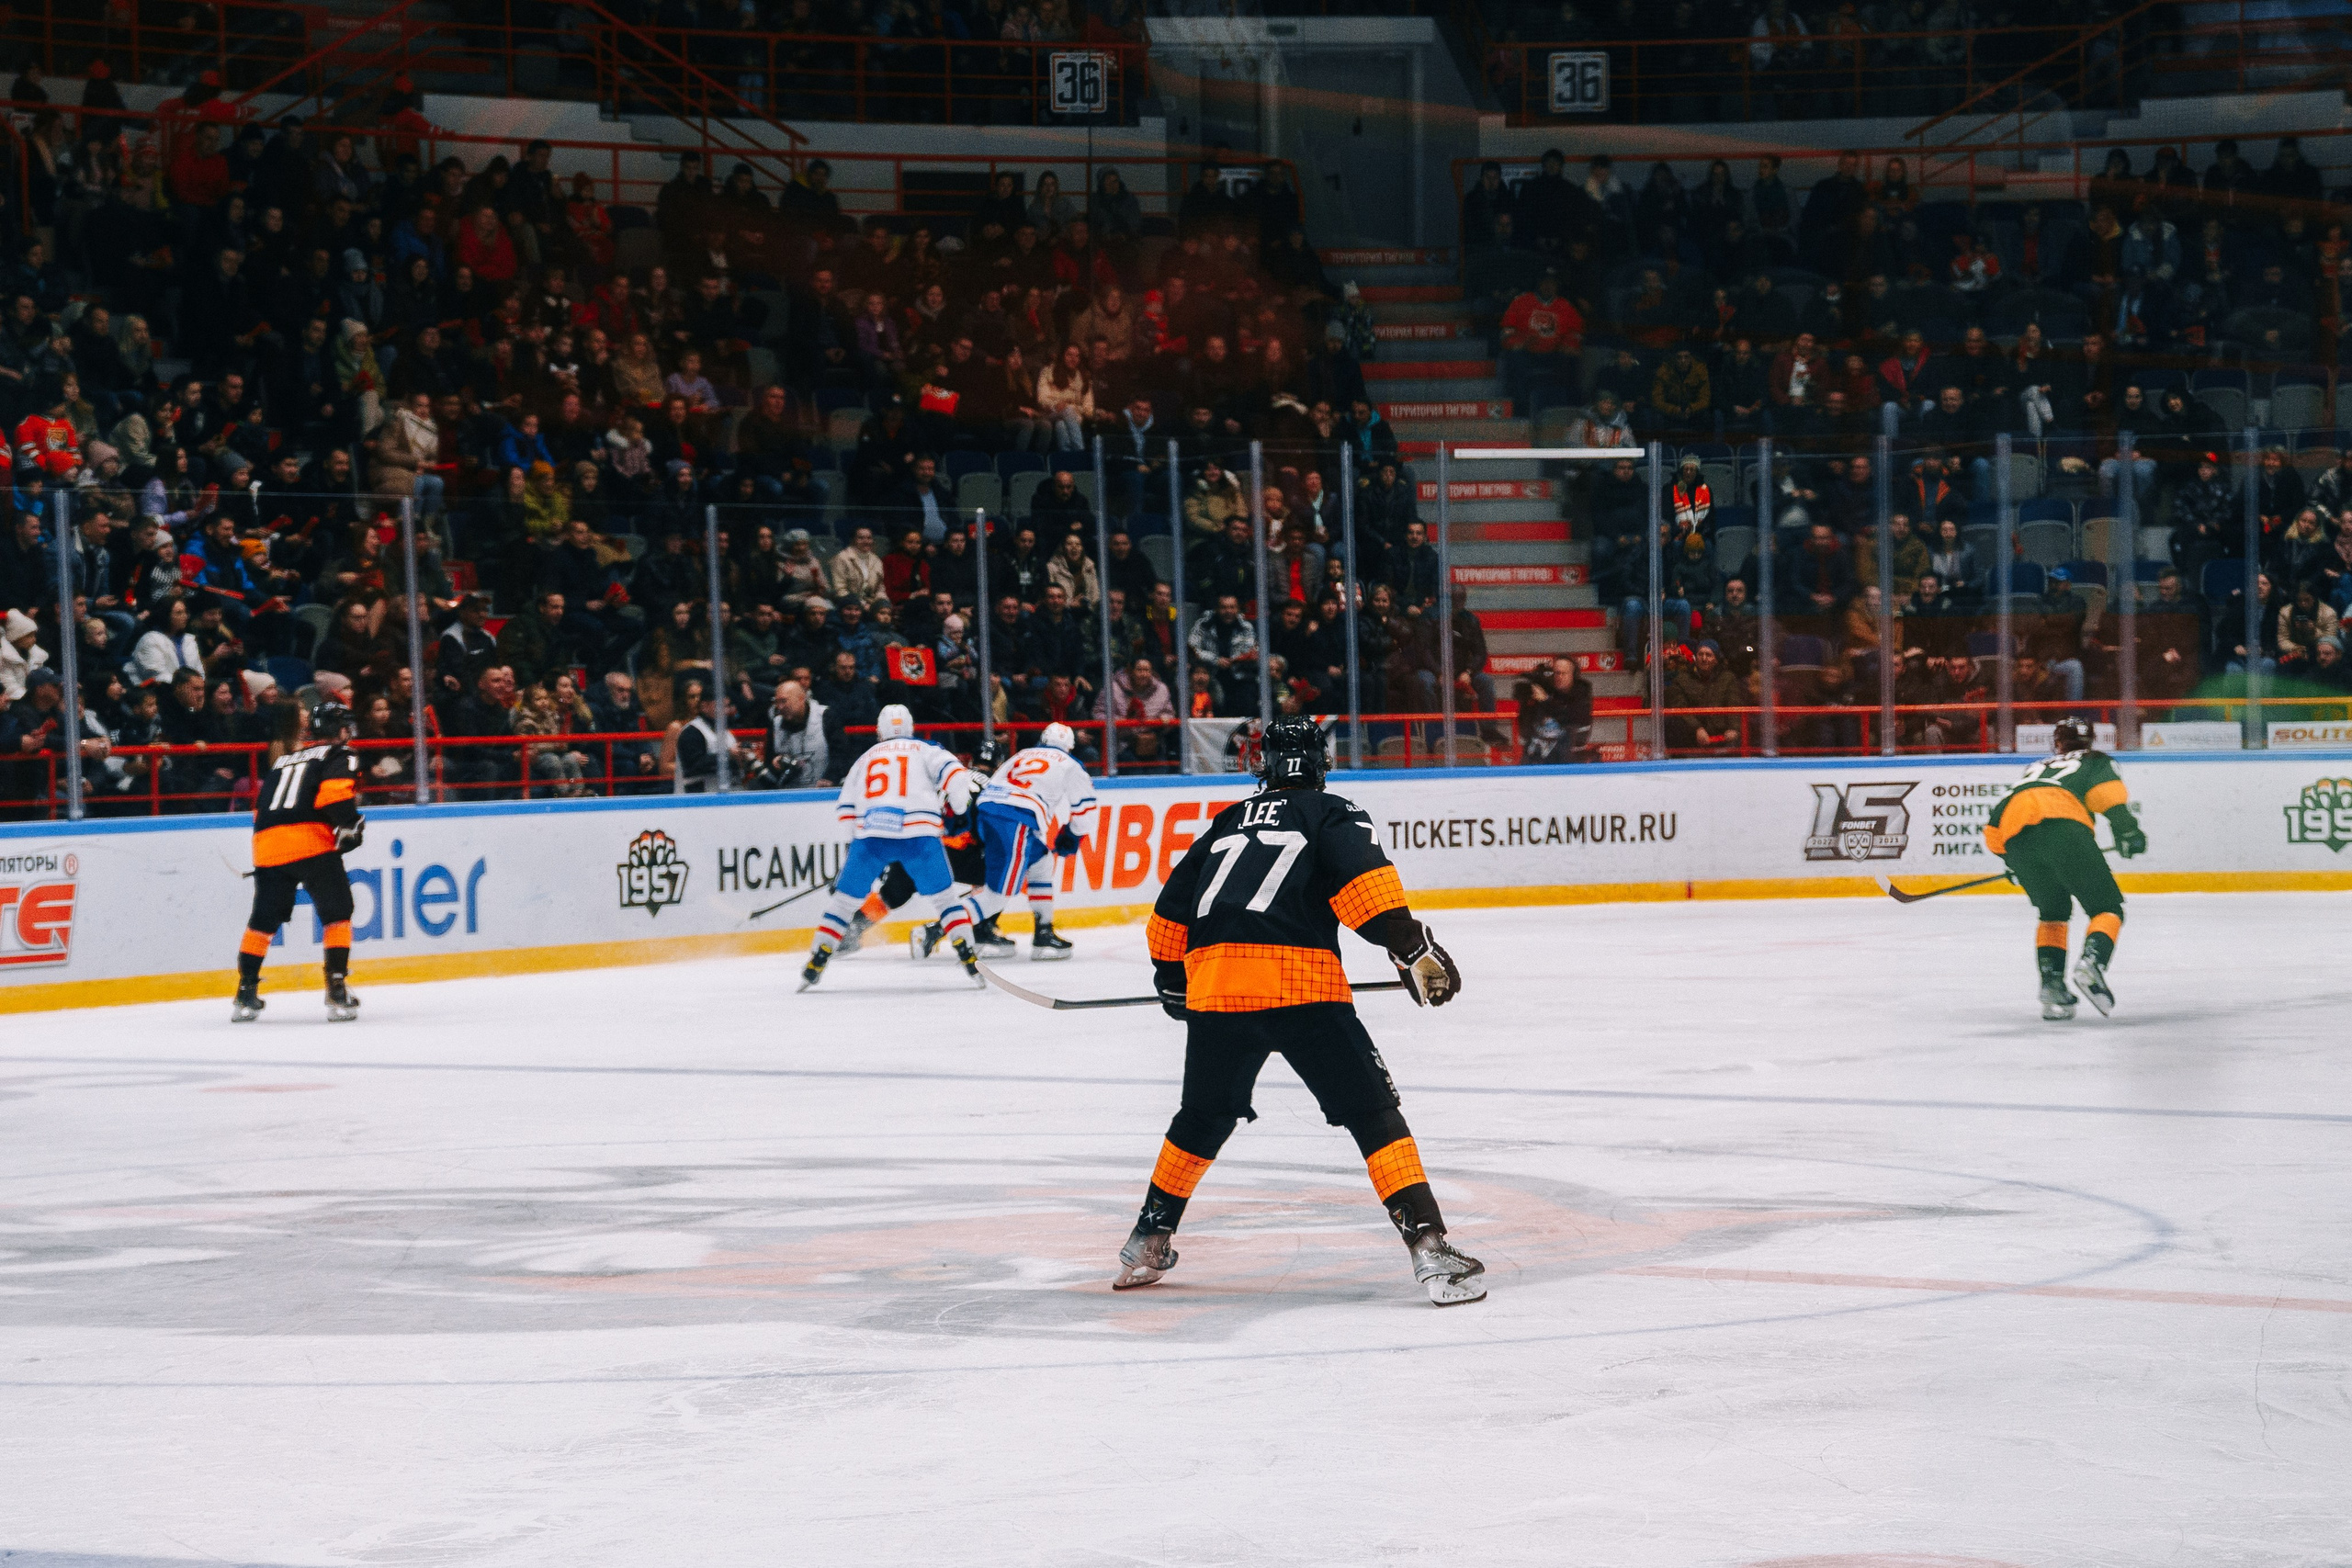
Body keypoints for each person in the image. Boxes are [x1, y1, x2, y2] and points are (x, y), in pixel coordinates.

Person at [1119, 716, 1478, 1306]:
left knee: (1203, 1116)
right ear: (1321, 763)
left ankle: (1145, 1241)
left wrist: (1172, 978)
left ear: (1259, 763)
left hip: (1217, 988)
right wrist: (1410, 946)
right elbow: (1364, 890)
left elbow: (1168, 917)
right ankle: (1432, 1252)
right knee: (1372, 1114)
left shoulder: (1225, 822)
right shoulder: (1332, 810)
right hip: (1301, 985)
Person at [800, 704, 984, 989]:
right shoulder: (928, 749)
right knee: (946, 900)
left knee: (843, 903)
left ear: (878, 731)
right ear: (911, 728)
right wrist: (959, 809)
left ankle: (819, 956)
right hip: (919, 834)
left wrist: (854, 851)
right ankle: (966, 952)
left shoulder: (866, 757)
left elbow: (846, 809)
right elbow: (958, 777)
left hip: (872, 835)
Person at [1981, 716, 2148, 1021]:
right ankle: (2091, 962)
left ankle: (2052, 987)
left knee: (2053, 912)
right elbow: (2107, 796)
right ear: (2090, 742)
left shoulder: (2036, 768)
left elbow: (1994, 829)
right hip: (2063, 824)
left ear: (2057, 743)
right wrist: (2129, 832)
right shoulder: (2095, 761)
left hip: (2011, 831)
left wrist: (2013, 860)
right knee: (2107, 908)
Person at [232, 701, 365, 1022]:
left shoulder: (283, 761)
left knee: (263, 920)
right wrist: (350, 825)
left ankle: (245, 993)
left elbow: (262, 807)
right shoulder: (339, 754)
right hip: (310, 842)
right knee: (338, 912)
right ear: (341, 730)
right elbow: (333, 796)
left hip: (267, 844)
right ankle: (336, 989)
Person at [970, 720, 1098, 961]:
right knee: (1000, 892)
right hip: (1015, 818)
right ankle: (938, 929)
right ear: (1069, 747)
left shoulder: (1021, 754)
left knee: (1041, 861)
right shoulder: (1070, 764)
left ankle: (1044, 933)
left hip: (987, 813)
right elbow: (1086, 811)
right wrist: (1072, 834)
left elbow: (993, 785)